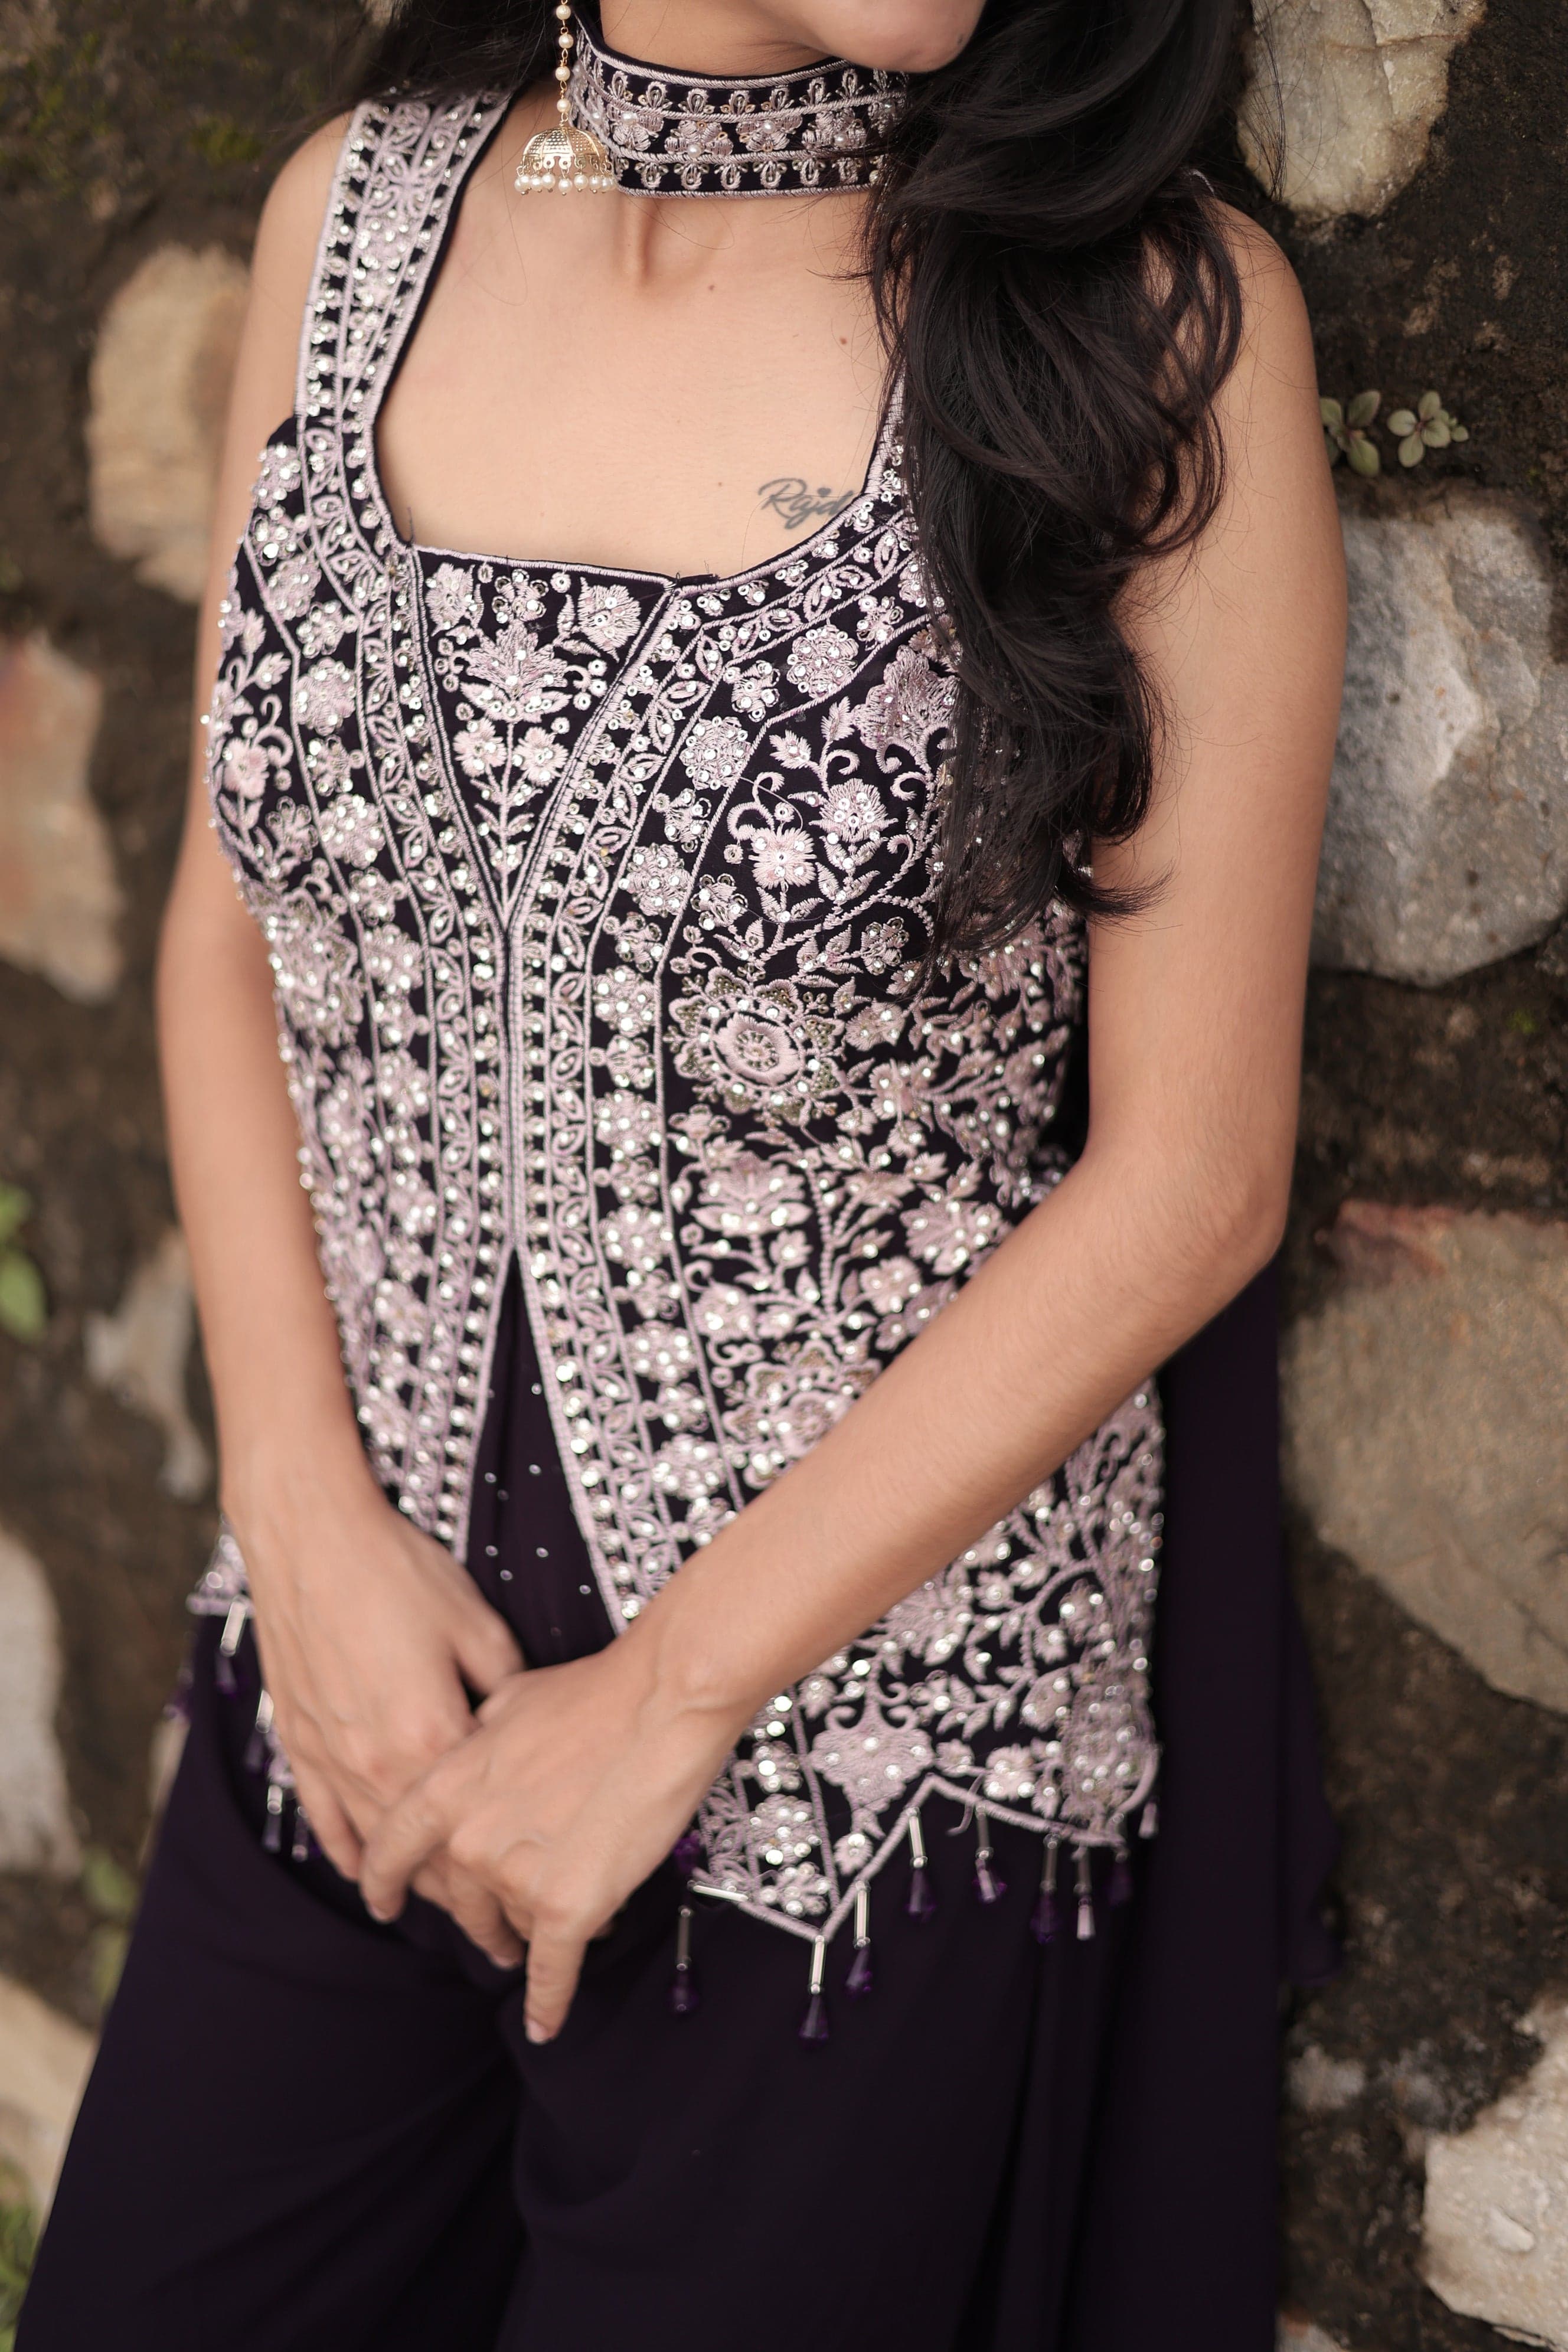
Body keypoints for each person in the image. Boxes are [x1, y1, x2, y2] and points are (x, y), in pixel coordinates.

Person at [19, 1, 1345, 2345]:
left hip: (863, 1779)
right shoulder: (359, 221)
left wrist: (670, 1696)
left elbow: (1189, 1180)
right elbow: (232, 927)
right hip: (355, 1690)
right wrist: (303, 1525)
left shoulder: (1138, 323)